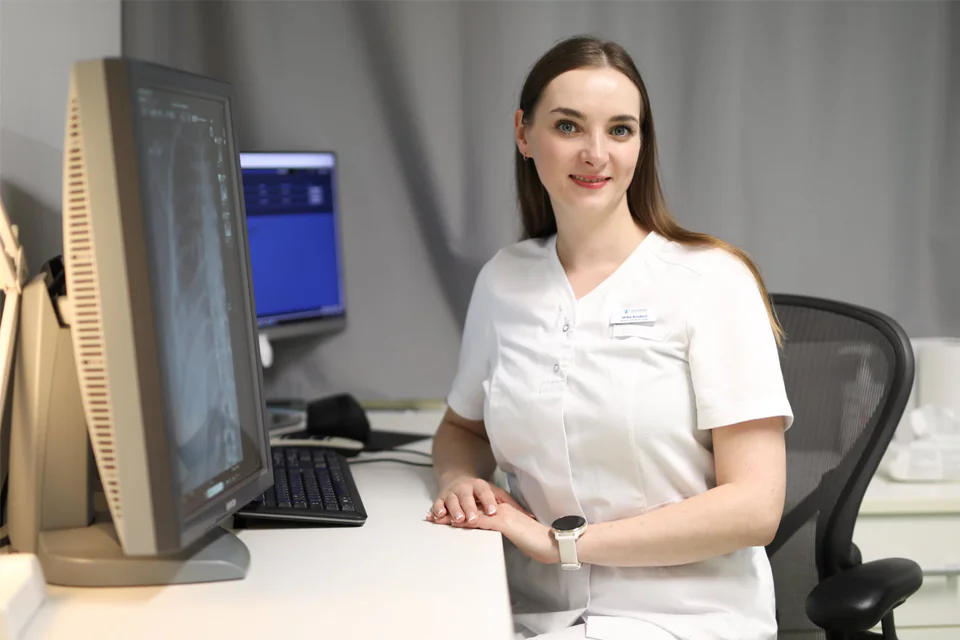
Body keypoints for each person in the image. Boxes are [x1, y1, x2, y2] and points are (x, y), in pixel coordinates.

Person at [425, 35, 793, 640]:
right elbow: (462, 429)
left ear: (641, 144)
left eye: (620, 130)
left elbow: (755, 508)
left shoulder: (711, 281)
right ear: (524, 133)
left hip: (686, 617)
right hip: (527, 611)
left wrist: (559, 544)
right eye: (569, 126)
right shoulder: (504, 280)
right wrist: (457, 480)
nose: (596, 153)